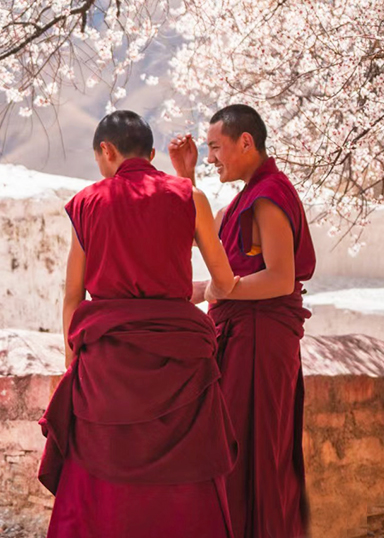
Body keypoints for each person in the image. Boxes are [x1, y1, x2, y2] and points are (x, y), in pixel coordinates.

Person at [38, 110, 240, 538]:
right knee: (186, 485)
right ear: (150, 154)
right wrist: (194, 292)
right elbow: (223, 281)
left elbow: (73, 297)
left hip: (106, 369)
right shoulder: (190, 196)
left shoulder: (89, 202)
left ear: (106, 151)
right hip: (181, 367)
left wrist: (73, 369)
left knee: (100, 489)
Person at [169, 104, 315, 538]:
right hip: (241, 337)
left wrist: (219, 290)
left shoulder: (269, 194)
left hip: (259, 342)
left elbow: (280, 278)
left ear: (245, 142)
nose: (212, 156)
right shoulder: (248, 194)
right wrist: (187, 178)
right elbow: (211, 250)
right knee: (236, 453)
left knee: (254, 457)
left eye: (215, 147)